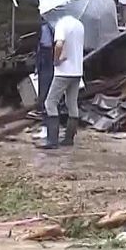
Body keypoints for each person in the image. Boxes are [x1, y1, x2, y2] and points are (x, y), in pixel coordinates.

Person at [40, 14, 85, 150]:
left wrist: (56, 60)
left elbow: (59, 43)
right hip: (77, 71)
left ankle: (52, 140)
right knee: (72, 103)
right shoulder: (79, 25)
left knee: (50, 103)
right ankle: (68, 139)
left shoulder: (61, 24)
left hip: (63, 72)